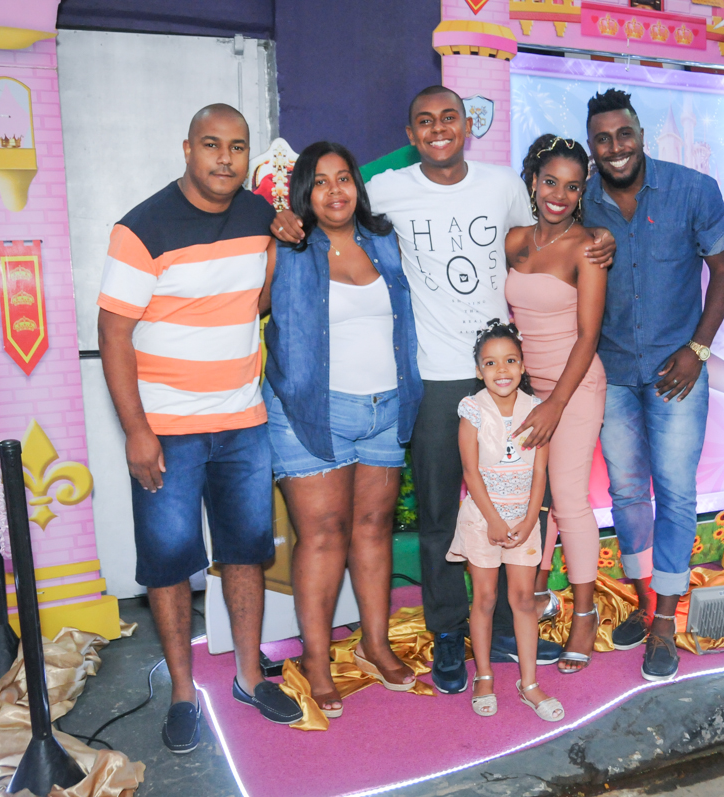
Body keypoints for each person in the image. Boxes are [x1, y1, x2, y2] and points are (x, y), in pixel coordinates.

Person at [270, 86, 615, 695]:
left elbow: (545, 237)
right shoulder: (387, 191)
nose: (438, 128)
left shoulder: (505, 185)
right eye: (425, 121)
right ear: (411, 133)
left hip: (508, 375)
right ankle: (450, 632)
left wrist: (601, 240)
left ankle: (509, 621)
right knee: (436, 517)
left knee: (518, 505)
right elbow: (329, 215)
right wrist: (280, 219)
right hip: (429, 376)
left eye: (449, 118)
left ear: (466, 127)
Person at [97, 103, 301, 753]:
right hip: (168, 430)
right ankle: (184, 692)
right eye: (211, 145)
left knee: (245, 552)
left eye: (237, 147)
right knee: (168, 564)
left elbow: (257, 301)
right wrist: (135, 430)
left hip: (243, 423)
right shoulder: (140, 228)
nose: (225, 159)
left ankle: (247, 675)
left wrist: (286, 239)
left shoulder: (257, 217)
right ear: (186, 148)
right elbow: (113, 333)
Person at [261, 141, 423, 718]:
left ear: (358, 185)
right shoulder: (287, 248)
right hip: (310, 411)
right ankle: (317, 659)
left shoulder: (385, 243)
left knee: (374, 529)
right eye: (321, 181)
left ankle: (375, 646)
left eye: (345, 178)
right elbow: (245, 306)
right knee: (324, 536)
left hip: (386, 409)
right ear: (304, 193)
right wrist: (267, 230)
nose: (336, 191)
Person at [583, 89, 724, 682]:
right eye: (603, 139)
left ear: (640, 134)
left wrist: (698, 350)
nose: (615, 148)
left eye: (624, 135)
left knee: (674, 494)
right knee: (626, 495)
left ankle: (666, 623)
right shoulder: (582, 203)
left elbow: (722, 272)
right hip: (613, 372)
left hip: (678, 373)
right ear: (593, 146)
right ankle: (647, 603)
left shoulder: (692, 189)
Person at [505, 135, 608, 674]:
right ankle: (538, 594)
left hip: (575, 386)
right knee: (532, 497)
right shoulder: (516, 240)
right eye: (550, 183)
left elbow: (588, 336)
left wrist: (553, 405)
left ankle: (585, 614)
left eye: (572, 187)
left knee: (568, 498)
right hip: (527, 390)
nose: (559, 196)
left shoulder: (589, 247)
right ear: (533, 181)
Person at [448, 321, 562, 722]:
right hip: (484, 520)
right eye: (491, 363)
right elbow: (470, 471)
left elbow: (540, 473)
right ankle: (483, 675)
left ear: (523, 364)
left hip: (524, 519)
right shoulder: (473, 410)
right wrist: (494, 521)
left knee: (522, 601)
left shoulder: (537, 409)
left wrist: (532, 517)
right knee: (484, 598)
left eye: (510, 360)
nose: (502, 370)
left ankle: (528, 683)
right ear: (479, 370)